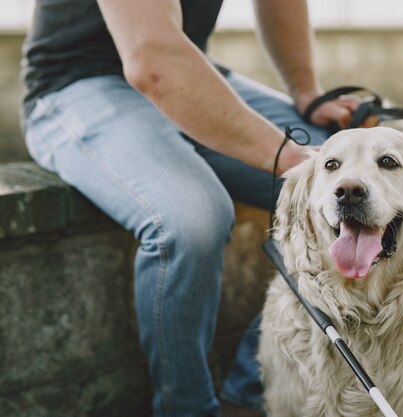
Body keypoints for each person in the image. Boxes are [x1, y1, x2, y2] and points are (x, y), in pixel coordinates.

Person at [20, 0, 373, 416]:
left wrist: (306, 91)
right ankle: (186, 408)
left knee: (372, 181)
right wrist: (291, 158)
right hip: (80, 82)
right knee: (193, 219)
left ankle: (249, 391)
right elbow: (153, 61)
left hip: (188, 68)